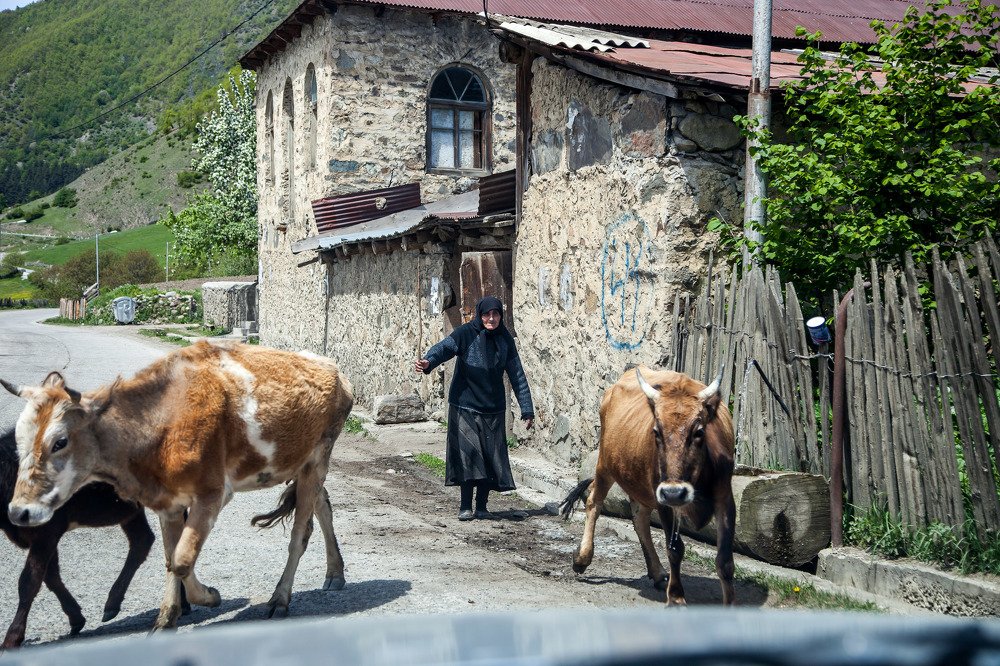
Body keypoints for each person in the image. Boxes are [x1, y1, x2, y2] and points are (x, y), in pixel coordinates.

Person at [415, 296, 534, 521]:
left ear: (500, 316)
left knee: (489, 458)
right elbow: (444, 348)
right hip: (465, 405)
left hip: (493, 407)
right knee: (468, 455)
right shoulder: (466, 333)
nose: (491, 318)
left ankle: (481, 507)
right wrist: (429, 361)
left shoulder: (505, 340)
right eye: (486, 314)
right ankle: (465, 506)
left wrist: (526, 409)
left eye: (495, 314)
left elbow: (517, 374)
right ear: (480, 315)